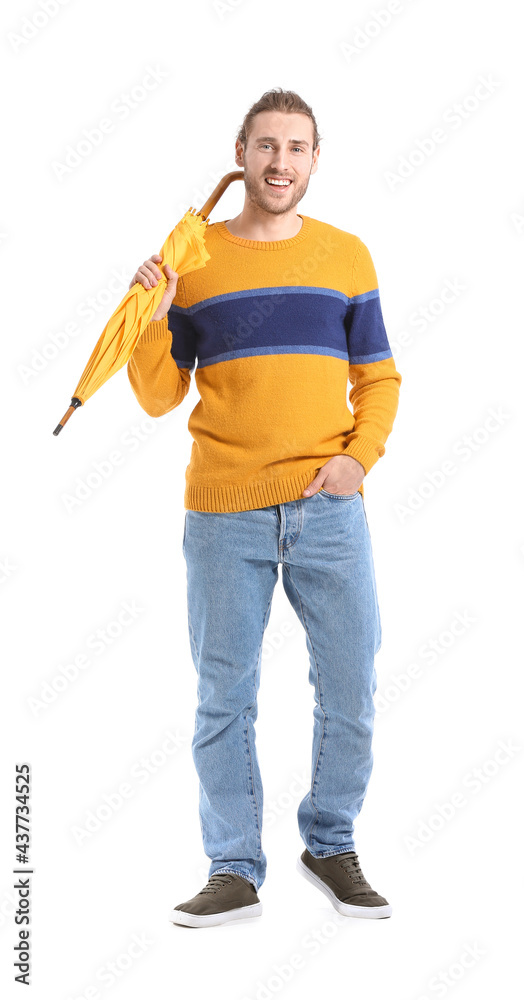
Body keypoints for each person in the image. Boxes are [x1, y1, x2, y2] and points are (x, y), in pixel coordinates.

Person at [127, 88, 402, 929]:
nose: (281, 162)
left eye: (297, 147)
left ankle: (330, 842)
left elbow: (380, 376)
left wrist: (359, 460)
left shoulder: (347, 256)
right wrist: (150, 308)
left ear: (316, 160)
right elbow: (156, 396)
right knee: (225, 695)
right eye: (266, 146)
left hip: (328, 510)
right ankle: (234, 868)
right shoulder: (194, 258)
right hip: (223, 511)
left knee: (350, 687)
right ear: (240, 153)